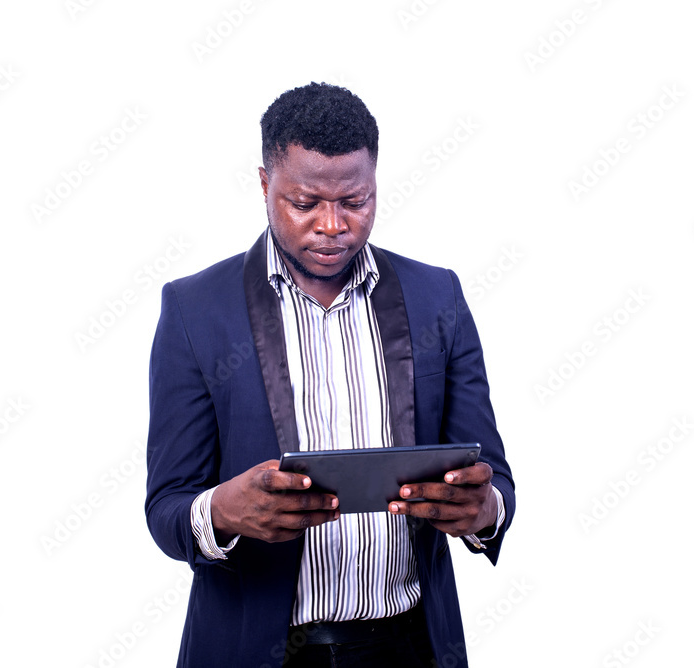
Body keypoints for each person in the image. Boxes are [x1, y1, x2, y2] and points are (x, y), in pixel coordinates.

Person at [145, 82, 514, 668]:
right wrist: (222, 510)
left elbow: (494, 478)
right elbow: (166, 507)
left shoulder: (436, 296)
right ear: (265, 185)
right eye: (305, 202)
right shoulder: (195, 310)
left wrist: (483, 509)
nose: (333, 225)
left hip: (410, 649)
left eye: (355, 201)